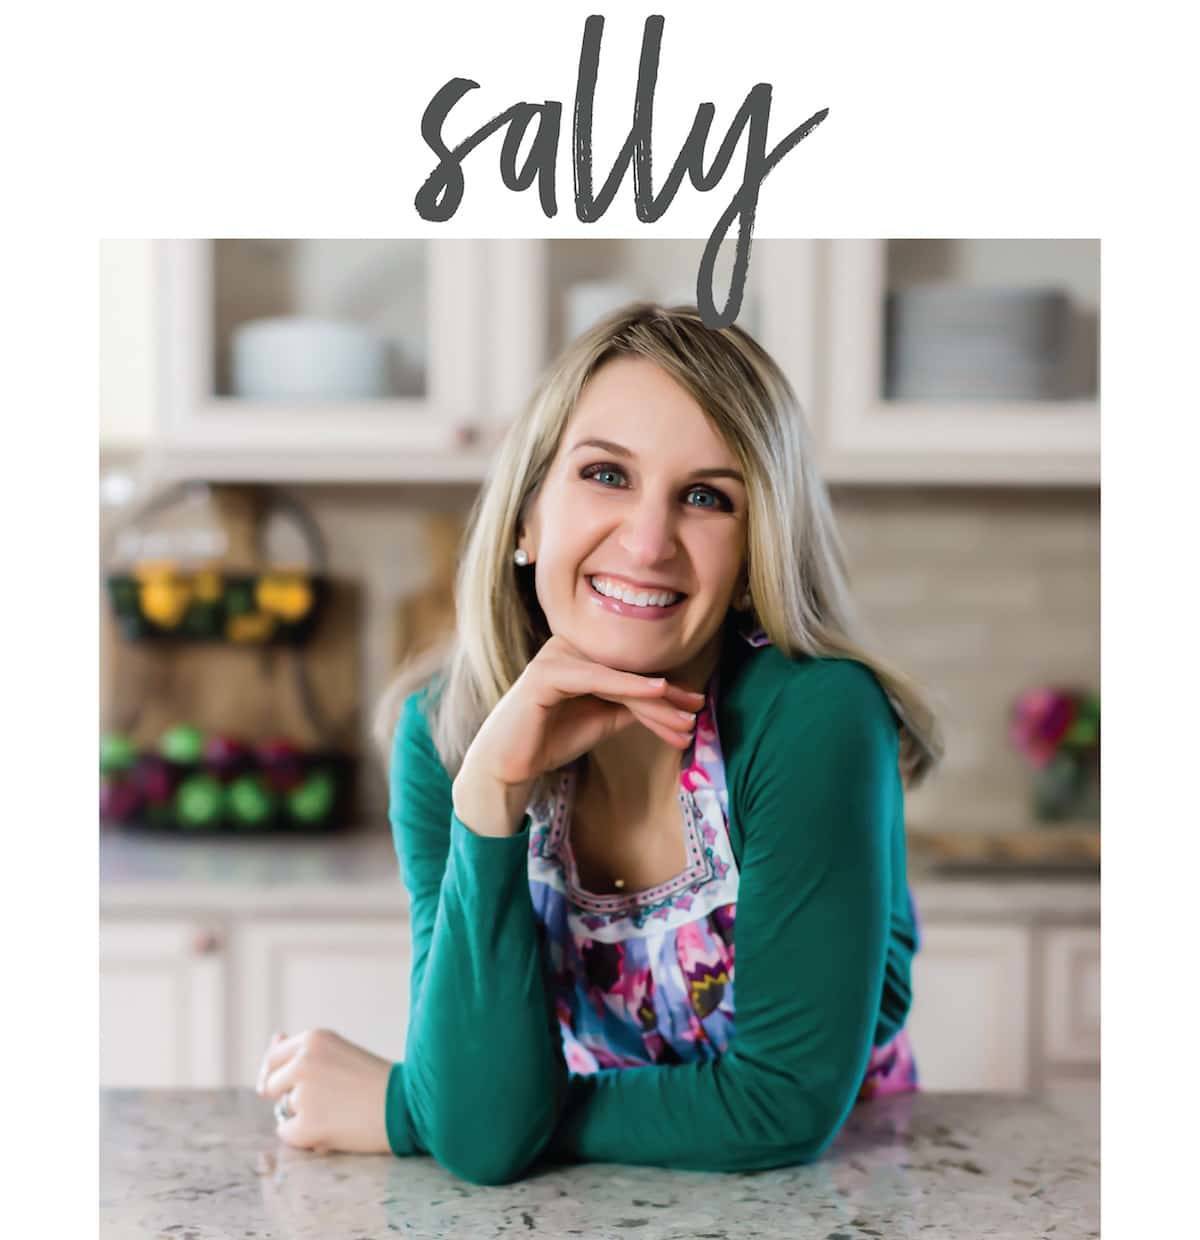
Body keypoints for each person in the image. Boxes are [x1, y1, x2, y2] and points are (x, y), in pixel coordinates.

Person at [255, 303, 943, 1181]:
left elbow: (779, 1107)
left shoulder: (815, 717)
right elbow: (482, 1138)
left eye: (705, 497)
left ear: (751, 561)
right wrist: (490, 795)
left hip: (825, 1202)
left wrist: (423, 1108)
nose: (649, 542)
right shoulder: (446, 736)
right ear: (525, 518)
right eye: (606, 475)